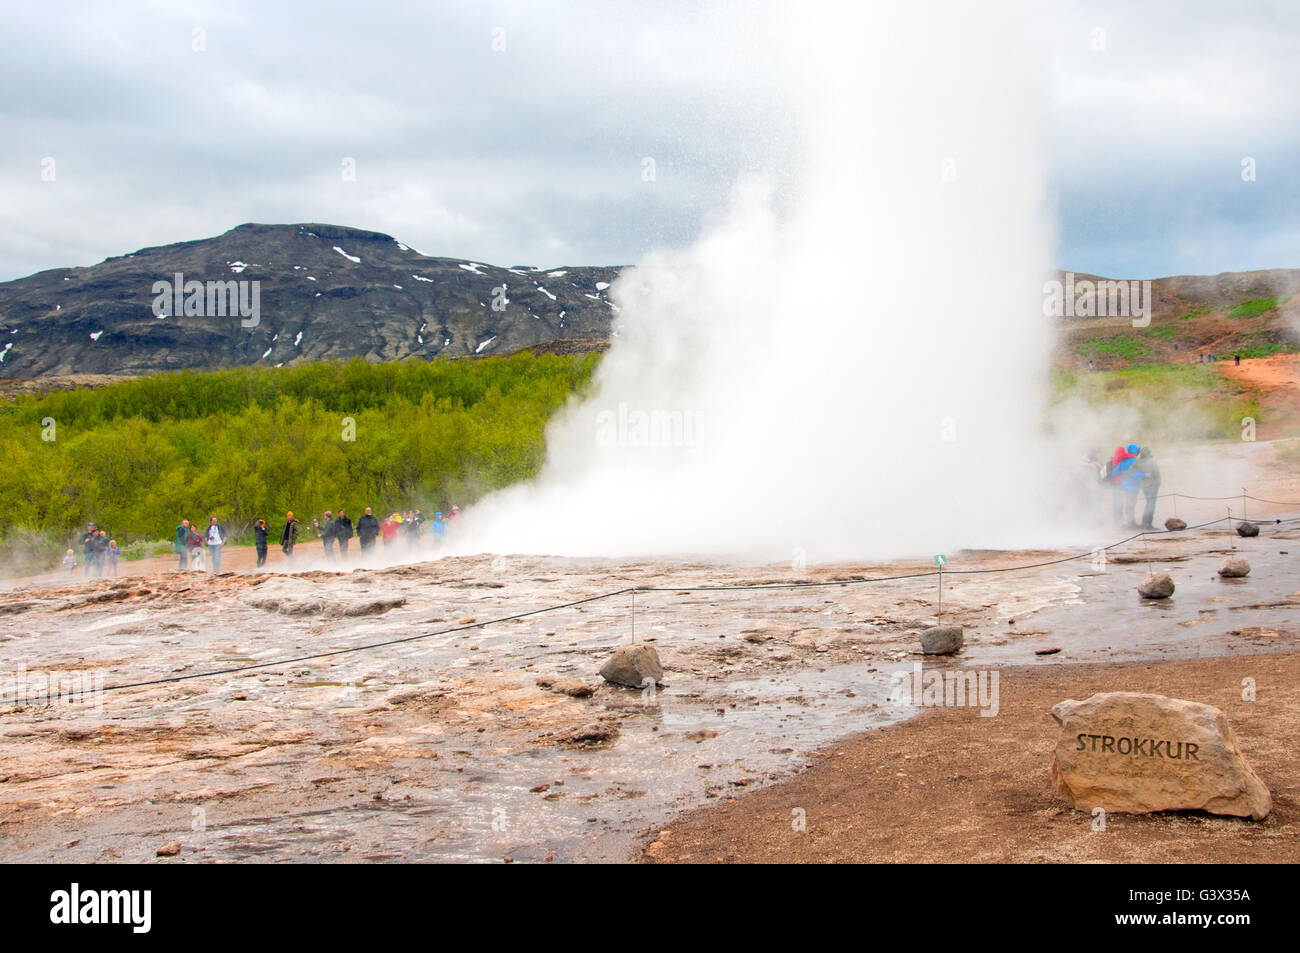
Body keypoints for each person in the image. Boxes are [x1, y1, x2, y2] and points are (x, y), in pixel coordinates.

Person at [1108, 444, 1138, 527]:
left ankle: (1118, 522)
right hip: (1120, 483)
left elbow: (1113, 472)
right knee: (1120, 503)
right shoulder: (1122, 457)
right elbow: (1130, 456)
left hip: (1113, 483)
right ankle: (1123, 523)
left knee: (1117, 503)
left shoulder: (1114, 458)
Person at [1135, 447, 1162, 530]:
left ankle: (1144, 523)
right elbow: (1156, 473)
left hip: (1144, 486)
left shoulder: (1138, 462)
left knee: (1148, 503)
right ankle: (1148, 524)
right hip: (1152, 485)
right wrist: (1158, 483)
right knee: (1151, 504)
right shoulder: (1152, 461)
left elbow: (1134, 473)